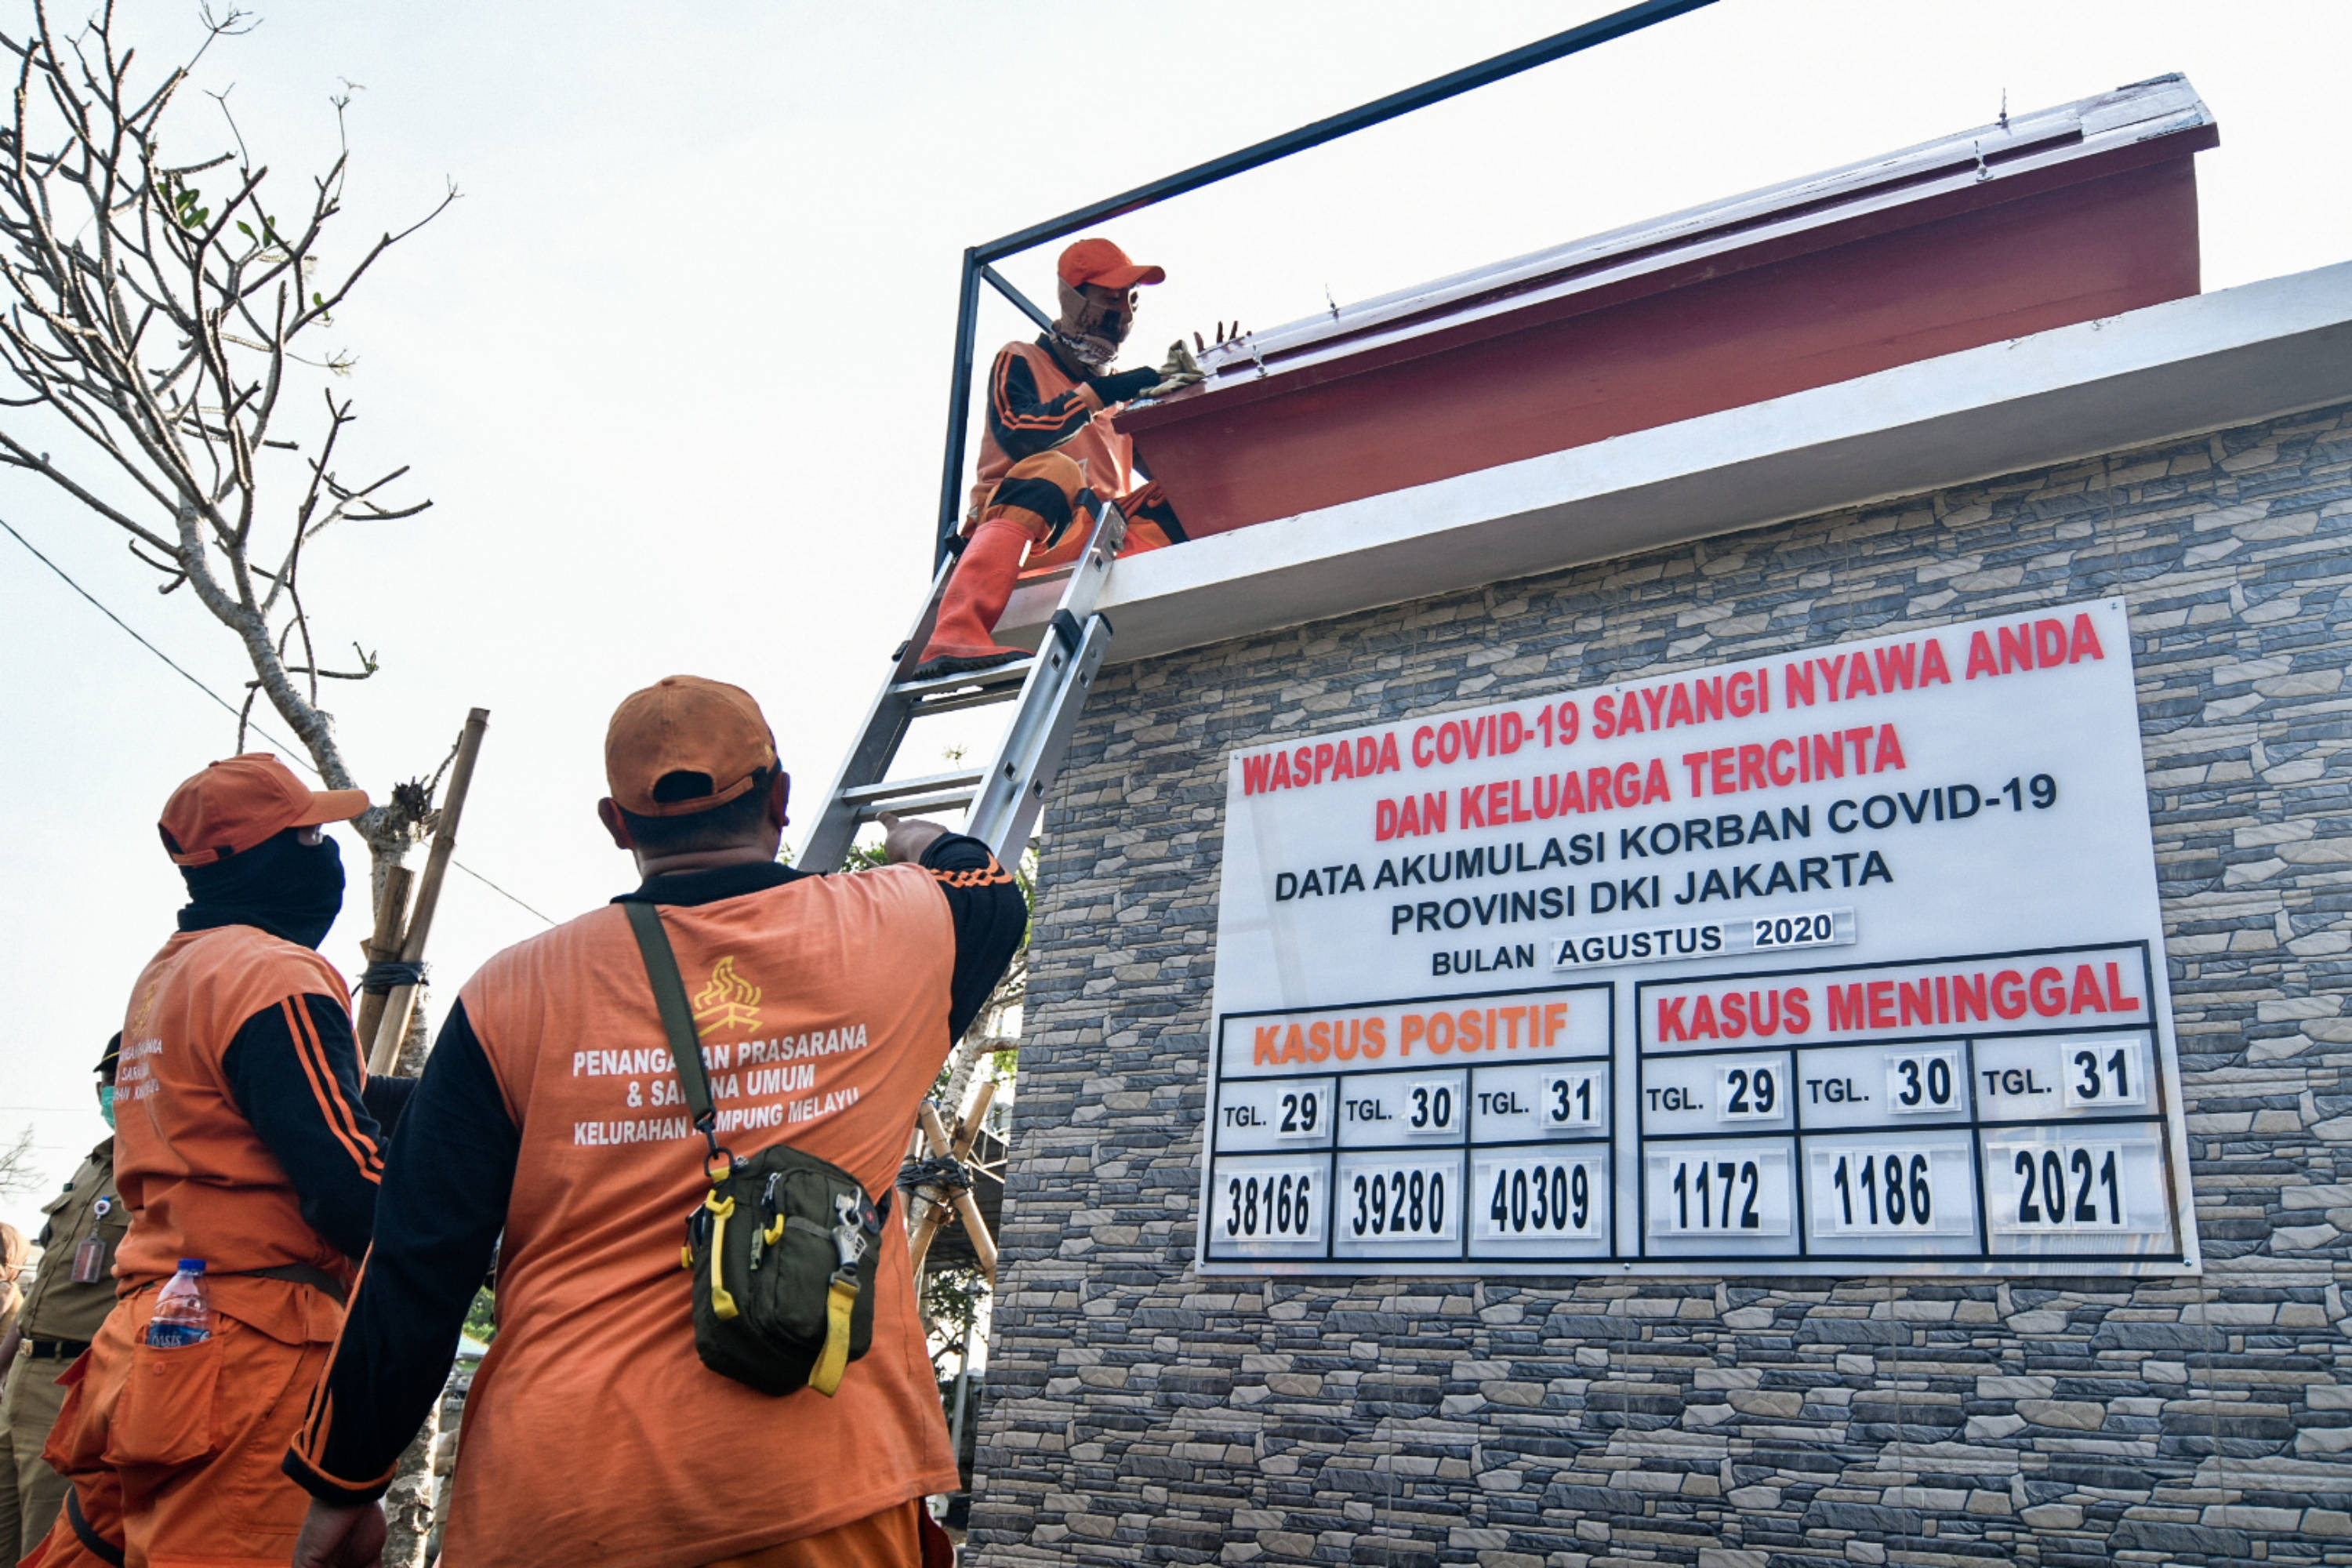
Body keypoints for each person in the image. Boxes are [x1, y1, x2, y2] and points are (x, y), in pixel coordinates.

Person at [286, 674, 1028, 1568]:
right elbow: (990, 887)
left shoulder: (512, 992)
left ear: (618, 823)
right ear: (782, 798)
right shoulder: (907, 929)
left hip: (558, 1496)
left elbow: (416, 1265)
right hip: (818, 1487)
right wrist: (920, 837)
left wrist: (343, 1488)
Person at [24, 755, 405, 1568]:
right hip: (246, 1352)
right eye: (311, 833)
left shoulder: (171, 973)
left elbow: (281, 1108)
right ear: (271, 857)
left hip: (150, 1337)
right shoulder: (274, 973)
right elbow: (346, 1180)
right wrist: (469, 1236)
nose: (324, 848)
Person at [913, 235, 1204, 678]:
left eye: (1130, 299)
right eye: (1110, 297)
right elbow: (1019, 435)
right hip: (1025, 537)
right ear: (1075, 298)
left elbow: (1178, 465)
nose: (1121, 311)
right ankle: (956, 630)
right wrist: (1103, 393)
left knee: (1187, 490)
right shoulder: (1021, 358)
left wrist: (1210, 383)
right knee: (1055, 468)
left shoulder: (1122, 397)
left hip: (1097, 541)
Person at [0, 1037, 128, 1559]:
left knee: (47, 1548)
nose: (112, 1092)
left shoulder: (165, 1168)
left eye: (124, 1079)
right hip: (24, 1378)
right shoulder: (94, 1165)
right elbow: (44, 1287)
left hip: (76, 1385)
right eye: (106, 1082)